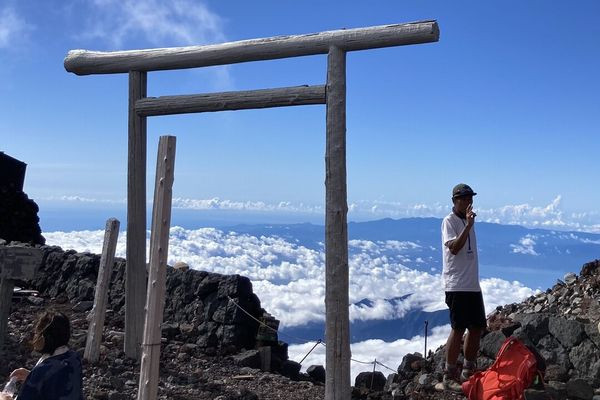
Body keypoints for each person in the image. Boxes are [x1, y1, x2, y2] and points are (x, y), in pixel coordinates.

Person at [437, 183, 487, 392]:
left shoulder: (468, 221)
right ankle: (449, 374)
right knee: (458, 329)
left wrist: (468, 224)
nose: (469, 202)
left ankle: (468, 369)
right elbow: (455, 249)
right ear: (454, 201)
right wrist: (467, 226)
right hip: (456, 285)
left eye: (470, 198)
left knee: (476, 327)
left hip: (472, 285)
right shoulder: (449, 221)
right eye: (464, 198)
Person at [0, 310, 84, 400]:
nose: (34, 338)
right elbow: (57, 383)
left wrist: (5, 398)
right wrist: (30, 376)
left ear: (44, 338)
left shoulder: (41, 371)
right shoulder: (74, 358)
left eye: (36, 333)